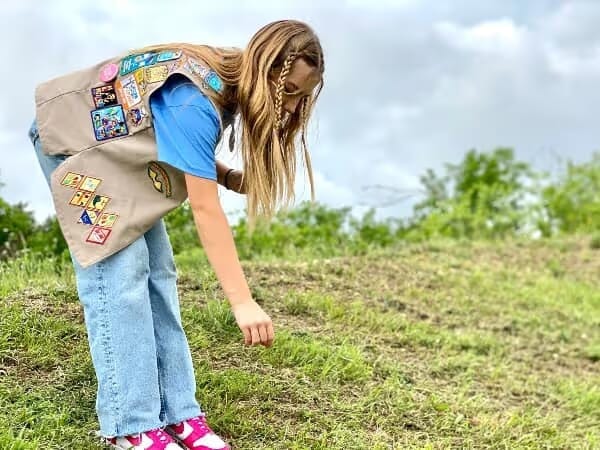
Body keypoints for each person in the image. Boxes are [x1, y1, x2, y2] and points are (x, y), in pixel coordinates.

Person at [28, 19, 324, 450]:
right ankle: (130, 424)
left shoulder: (224, 82)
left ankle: (179, 413)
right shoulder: (196, 99)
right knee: (120, 277)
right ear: (266, 72)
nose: (294, 108)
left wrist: (222, 174)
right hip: (74, 147)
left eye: (303, 96)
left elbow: (161, 134)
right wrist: (242, 302)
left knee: (158, 274)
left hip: (118, 157)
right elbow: (204, 210)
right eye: (290, 92)